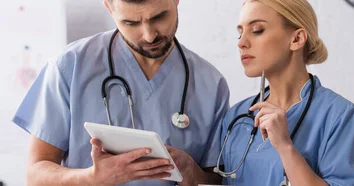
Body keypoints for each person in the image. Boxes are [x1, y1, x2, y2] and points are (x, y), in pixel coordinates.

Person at [12, 0, 228, 185]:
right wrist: (92, 178)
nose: (149, 35)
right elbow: (35, 174)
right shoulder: (70, 66)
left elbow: (217, 180)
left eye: (159, 17)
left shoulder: (210, 84)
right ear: (109, 6)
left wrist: (193, 173)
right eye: (131, 22)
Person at [215, 0, 354, 185]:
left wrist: (285, 146)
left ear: (297, 39)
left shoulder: (341, 116)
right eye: (240, 33)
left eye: (257, 30)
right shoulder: (236, 116)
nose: (241, 43)